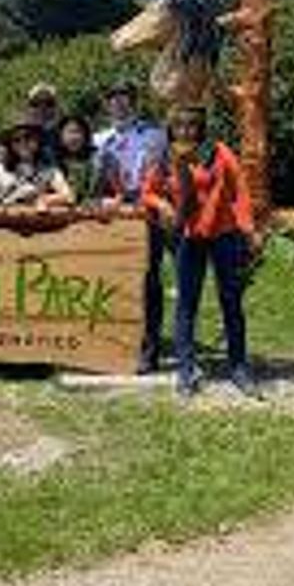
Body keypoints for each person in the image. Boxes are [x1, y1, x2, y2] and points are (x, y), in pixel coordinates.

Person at [141, 105, 260, 398]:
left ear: (201, 127)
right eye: (179, 125)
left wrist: (248, 230)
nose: (186, 130)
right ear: (171, 129)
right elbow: (148, 191)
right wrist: (162, 205)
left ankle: (239, 367)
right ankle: (185, 369)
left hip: (223, 234)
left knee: (231, 301)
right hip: (189, 237)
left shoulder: (218, 153)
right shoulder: (166, 157)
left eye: (192, 125)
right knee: (186, 305)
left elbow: (240, 190)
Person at [95, 80, 168, 372]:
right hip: (110, 216)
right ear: (106, 104)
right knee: (113, 279)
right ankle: (114, 344)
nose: (119, 104)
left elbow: (165, 172)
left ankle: (149, 350)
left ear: (134, 102)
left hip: (145, 213)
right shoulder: (99, 140)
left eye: (125, 98)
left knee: (148, 279)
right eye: (113, 98)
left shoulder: (155, 135)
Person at [0, 115, 72, 206]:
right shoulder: (4, 165)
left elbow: (68, 196)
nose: (23, 143)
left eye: (28, 137)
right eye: (16, 140)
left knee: (28, 191)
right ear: (11, 145)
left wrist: (43, 200)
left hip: (24, 205)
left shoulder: (49, 171)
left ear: (37, 140)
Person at [55, 114, 107, 205]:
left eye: (77, 132)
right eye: (69, 132)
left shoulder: (97, 159)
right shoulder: (54, 160)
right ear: (61, 136)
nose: (73, 137)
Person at [26, 82, 61, 161]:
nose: (42, 109)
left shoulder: (65, 138)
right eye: (35, 104)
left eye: (49, 104)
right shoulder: (17, 139)